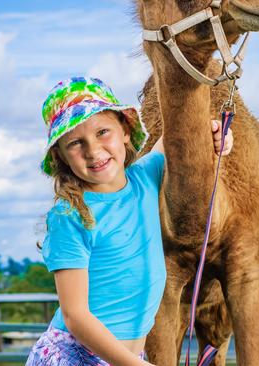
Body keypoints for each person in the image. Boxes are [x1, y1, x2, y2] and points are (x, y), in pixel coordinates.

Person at [25, 77, 233, 366]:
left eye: (102, 132)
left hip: (127, 358)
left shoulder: (146, 176)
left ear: (125, 130)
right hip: (77, 356)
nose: (93, 150)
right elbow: (75, 316)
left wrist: (215, 133)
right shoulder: (70, 214)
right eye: (76, 142)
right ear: (60, 155)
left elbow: (181, 132)